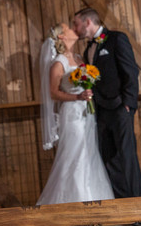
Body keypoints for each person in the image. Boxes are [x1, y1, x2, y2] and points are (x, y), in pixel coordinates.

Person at [36, 23, 115, 205]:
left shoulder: (80, 58)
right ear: (62, 37)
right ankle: (73, 201)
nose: (74, 29)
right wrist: (77, 95)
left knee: (89, 153)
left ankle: (94, 197)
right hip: (71, 115)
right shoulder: (58, 63)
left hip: (87, 113)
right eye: (68, 28)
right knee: (74, 156)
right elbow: (53, 93)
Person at [71, 7, 141, 199]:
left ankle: (140, 206)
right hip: (101, 112)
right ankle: (123, 204)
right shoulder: (88, 49)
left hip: (120, 108)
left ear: (88, 22)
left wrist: (128, 104)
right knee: (109, 159)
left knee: (127, 157)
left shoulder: (116, 38)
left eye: (76, 23)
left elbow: (130, 72)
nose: (74, 28)